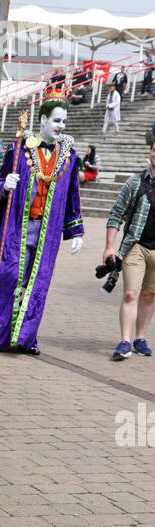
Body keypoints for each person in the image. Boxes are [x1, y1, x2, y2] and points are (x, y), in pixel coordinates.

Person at [0, 88, 84, 355]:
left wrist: (76, 230)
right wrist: (5, 185)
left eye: (64, 122)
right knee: (9, 276)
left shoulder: (69, 157)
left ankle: (24, 338)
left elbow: (72, 196)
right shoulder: (19, 150)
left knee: (36, 283)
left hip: (48, 231)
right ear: (44, 120)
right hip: (17, 228)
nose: (61, 126)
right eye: (57, 121)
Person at [103, 137, 155, 360]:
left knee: (149, 296)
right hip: (135, 247)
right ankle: (125, 341)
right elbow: (116, 214)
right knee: (131, 293)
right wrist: (109, 247)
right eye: (154, 149)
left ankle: (140, 338)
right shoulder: (135, 183)